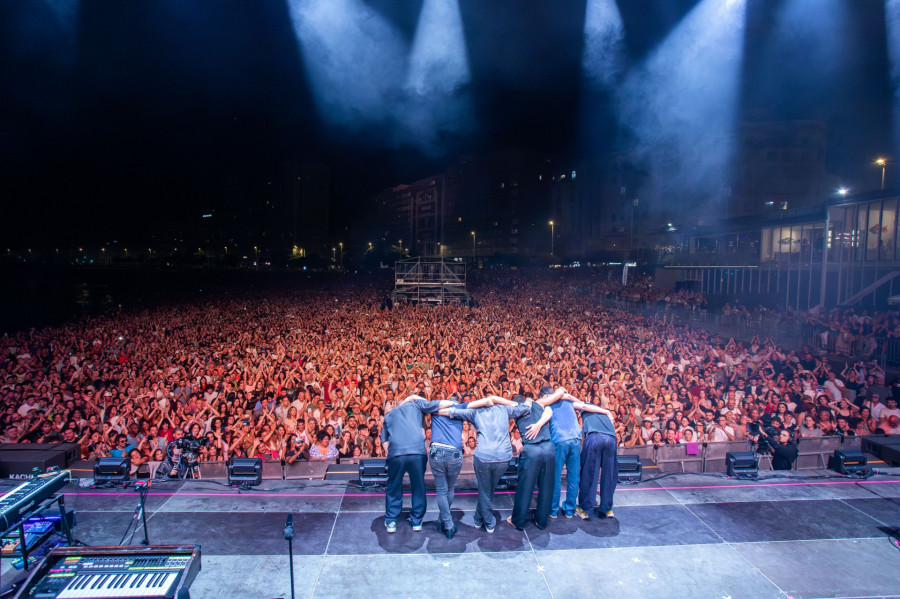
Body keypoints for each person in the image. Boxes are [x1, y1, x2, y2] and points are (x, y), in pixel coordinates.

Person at [440, 392, 534, 533]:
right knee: (488, 490)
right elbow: (525, 409)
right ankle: (478, 519)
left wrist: (434, 409)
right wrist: (528, 399)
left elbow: (452, 412)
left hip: (483, 457)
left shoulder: (475, 412)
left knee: (485, 491)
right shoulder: (504, 409)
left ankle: (489, 522)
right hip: (503, 457)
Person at [380, 394, 452, 534]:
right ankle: (417, 521)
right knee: (418, 485)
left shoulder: (389, 415)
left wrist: (393, 453)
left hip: (396, 453)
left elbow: (385, 443)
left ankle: (391, 522)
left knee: (394, 486)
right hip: (417, 452)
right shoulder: (416, 404)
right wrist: (454, 403)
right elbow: (439, 404)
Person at [427, 391, 493, 539]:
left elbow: (420, 403)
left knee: (441, 490)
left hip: (437, 451)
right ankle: (447, 523)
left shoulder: (435, 409)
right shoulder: (461, 408)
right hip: (454, 453)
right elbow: (481, 402)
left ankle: (444, 521)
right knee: (449, 489)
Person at [497, 389, 557, 531]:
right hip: (549, 448)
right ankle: (541, 522)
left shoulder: (517, 409)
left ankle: (518, 521)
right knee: (546, 486)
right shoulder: (538, 404)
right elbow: (549, 410)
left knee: (525, 487)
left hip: (532, 450)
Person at [564, 393, 618, 519]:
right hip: (611, 439)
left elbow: (580, 426)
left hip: (595, 438)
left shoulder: (584, 410)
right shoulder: (603, 413)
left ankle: (585, 508)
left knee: (589, 474)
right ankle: (607, 508)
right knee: (609, 475)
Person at [540, 384, 583, 519]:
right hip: (576, 440)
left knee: (556, 477)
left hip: (560, 441)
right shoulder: (569, 401)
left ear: (545, 396)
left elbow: (544, 420)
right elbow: (582, 404)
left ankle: (553, 510)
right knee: (573, 477)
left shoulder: (548, 405)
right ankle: (570, 510)